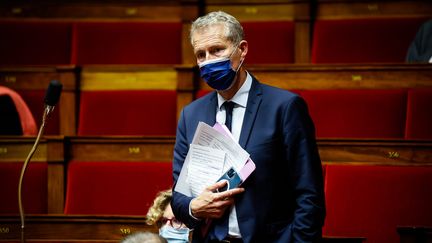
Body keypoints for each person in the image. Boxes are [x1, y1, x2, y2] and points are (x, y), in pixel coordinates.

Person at [171, 11, 326, 243]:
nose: (209, 61)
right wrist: (194, 207)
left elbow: (309, 195)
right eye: (201, 55)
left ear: (241, 49)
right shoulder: (191, 114)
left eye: (217, 50)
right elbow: (179, 196)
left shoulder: (284, 107)